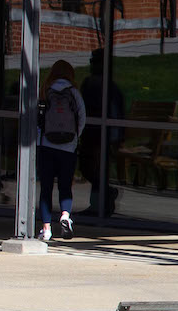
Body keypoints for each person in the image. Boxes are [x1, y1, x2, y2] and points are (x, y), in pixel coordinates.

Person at [37, 59, 86, 242]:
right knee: (65, 186)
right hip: (68, 147)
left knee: (46, 189)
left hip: (47, 145)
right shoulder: (74, 93)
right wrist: (74, 137)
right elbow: (82, 117)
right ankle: (65, 215)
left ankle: (46, 228)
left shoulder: (45, 91)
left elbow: (39, 118)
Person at [80, 50, 126, 216]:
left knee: (96, 169)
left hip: (101, 134)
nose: (93, 65)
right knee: (88, 168)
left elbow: (115, 112)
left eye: (96, 62)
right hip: (89, 132)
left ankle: (99, 204)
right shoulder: (89, 83)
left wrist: (116, 137)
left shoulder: (109, 87)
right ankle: (104, 197)